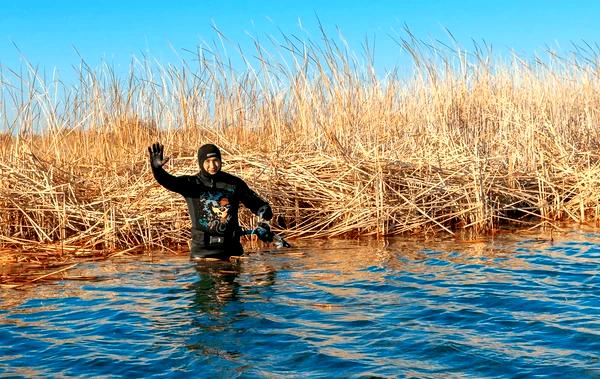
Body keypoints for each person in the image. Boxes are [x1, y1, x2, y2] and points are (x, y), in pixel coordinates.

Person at [148, 142, 273, 260]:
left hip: (232, 253)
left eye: (215, 161)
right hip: (203, 255)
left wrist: (264, 210)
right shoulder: (191, 185)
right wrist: (157, 169)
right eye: (207, 161)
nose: (212, 166)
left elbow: (254, 202)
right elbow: (168, 181)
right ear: (201, 162)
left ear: (220, 161)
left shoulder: (234, 183)